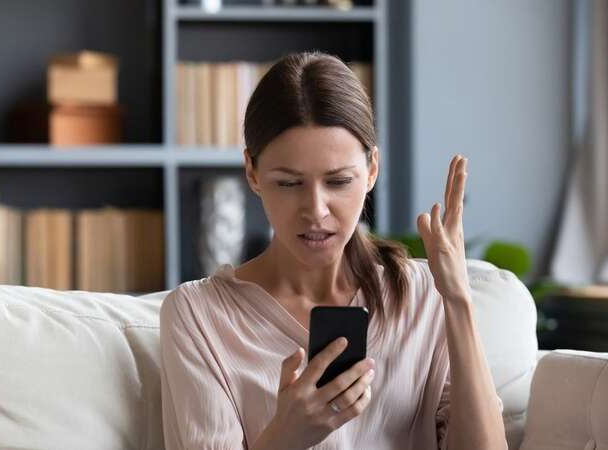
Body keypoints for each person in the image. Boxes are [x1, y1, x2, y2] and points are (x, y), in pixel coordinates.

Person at [160, 51, 507, 450]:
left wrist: (458, 300)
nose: (316, 210)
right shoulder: (199, 316)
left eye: (339, 181)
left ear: (372, 169)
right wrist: (285, 437)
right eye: (289, 184)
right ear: (252, 172)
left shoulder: (424, 296)